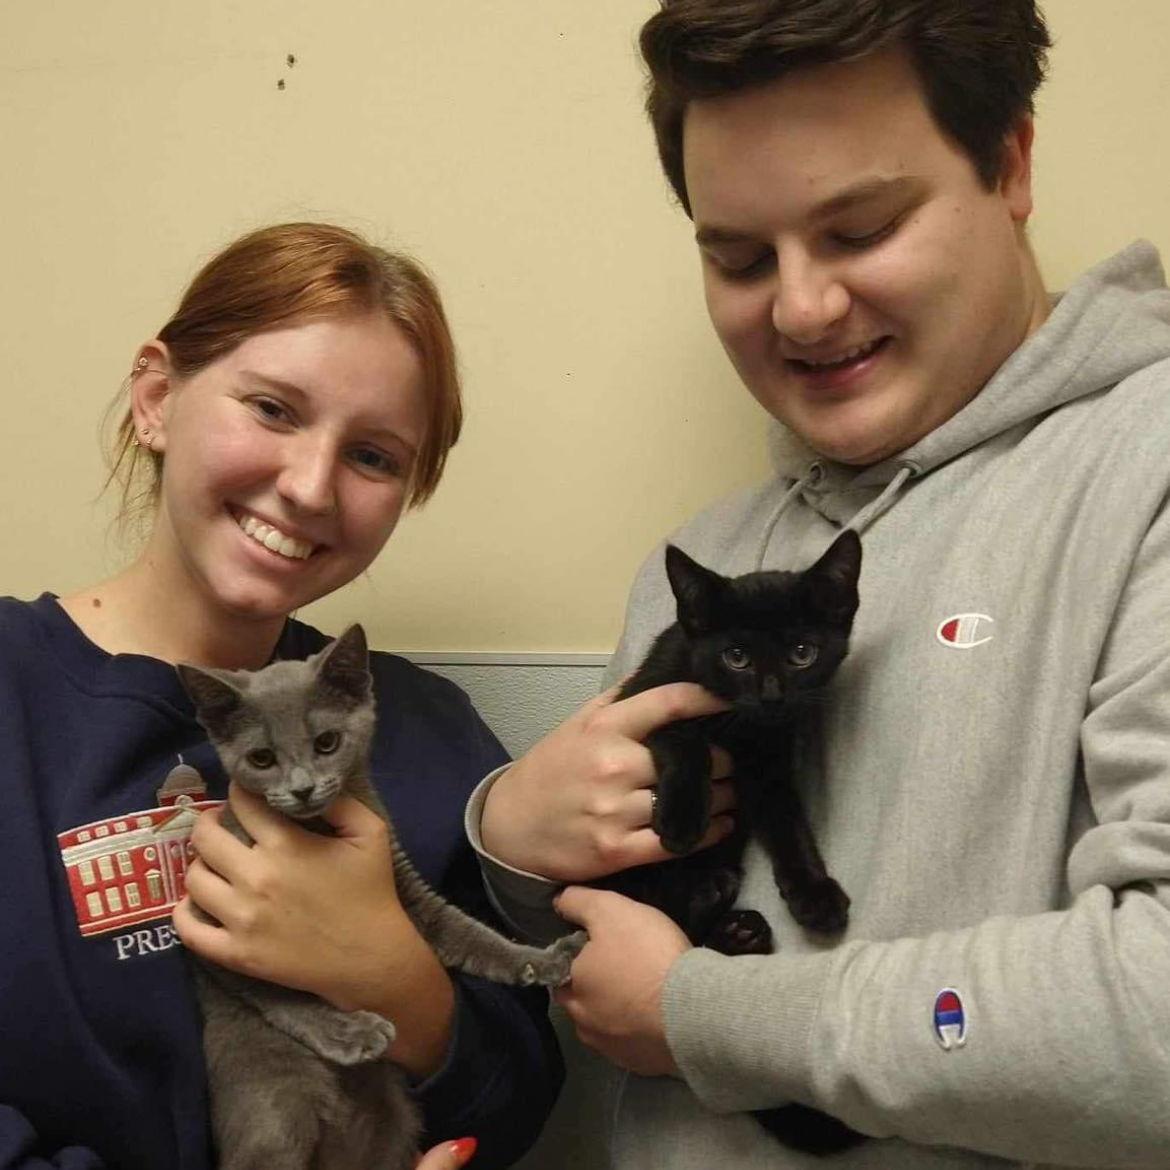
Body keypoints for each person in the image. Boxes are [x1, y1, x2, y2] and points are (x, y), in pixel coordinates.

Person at [468, 2, 1170, 1167]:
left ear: (1011, 164)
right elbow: (605, 965)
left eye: (861, 229)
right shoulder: (700, 559)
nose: (801, 308)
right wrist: (514, 849)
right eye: (740, 258)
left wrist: (706, 1019)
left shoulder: (1144, 468)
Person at [0, 222, 563, 1170]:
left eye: (374, 457)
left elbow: (516, 1094)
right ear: (156, 398)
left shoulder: (426, 733)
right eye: (272, 409)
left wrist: (405, 989)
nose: (309, 488)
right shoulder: (15, 695)